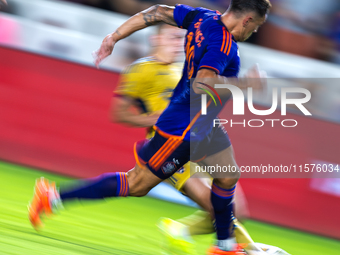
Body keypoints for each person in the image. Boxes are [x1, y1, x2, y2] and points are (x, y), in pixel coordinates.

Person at [29, 1, 271, 254]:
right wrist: (244, 84)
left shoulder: (202, 17)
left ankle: (224, 247)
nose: (253, 33)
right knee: (137, 184)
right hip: (182, 128)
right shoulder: (223, 45)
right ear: (247, 20)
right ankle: (53, 197)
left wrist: (115, 36)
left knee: (228, 175)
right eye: (256, 27)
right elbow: (204, 82)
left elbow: (157, 12)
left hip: (204, 124)